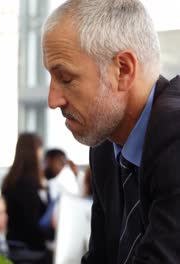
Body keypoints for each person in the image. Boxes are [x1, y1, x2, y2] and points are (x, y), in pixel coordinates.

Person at [42, 0, 180, 263]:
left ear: (123, 70)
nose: (52, 100)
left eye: (66, 79)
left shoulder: (175, 134)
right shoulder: (105, 147)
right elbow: (100, 257)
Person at [1, 133, 52, 264]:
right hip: (30, 250)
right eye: (40, 148)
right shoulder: (28, 184)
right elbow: (31, 222)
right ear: (33, 151)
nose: (41, 153)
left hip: (14, 245)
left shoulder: (10, 180)